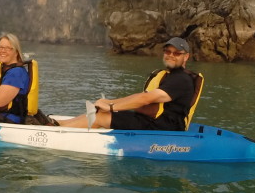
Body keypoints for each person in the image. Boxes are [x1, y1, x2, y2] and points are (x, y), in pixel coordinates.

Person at [55, 37, 201, 131]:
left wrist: (111, 106)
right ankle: (61, 124)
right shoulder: (169, 76)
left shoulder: (181, 80)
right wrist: (109, 102)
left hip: (164, 129)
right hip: (152, 122)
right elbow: (141, 98)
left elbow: (146, 99)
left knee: (101, 117)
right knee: (101, 111)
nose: (171, 55)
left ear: (186, 56)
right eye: (168, 51)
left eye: (177, 53)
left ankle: (56, 132)